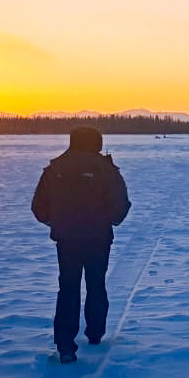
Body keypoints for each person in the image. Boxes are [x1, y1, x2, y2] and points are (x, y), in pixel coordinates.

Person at [32, 127, 131, 364]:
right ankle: (95, 333)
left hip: (66, 239)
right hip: (98, 237)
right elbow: (120, 204)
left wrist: (55, 222)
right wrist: (110, 220)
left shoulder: (54, 168)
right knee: (96, 284)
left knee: (68, 288)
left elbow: (38, 206)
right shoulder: (106, 169)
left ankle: (66, 345)